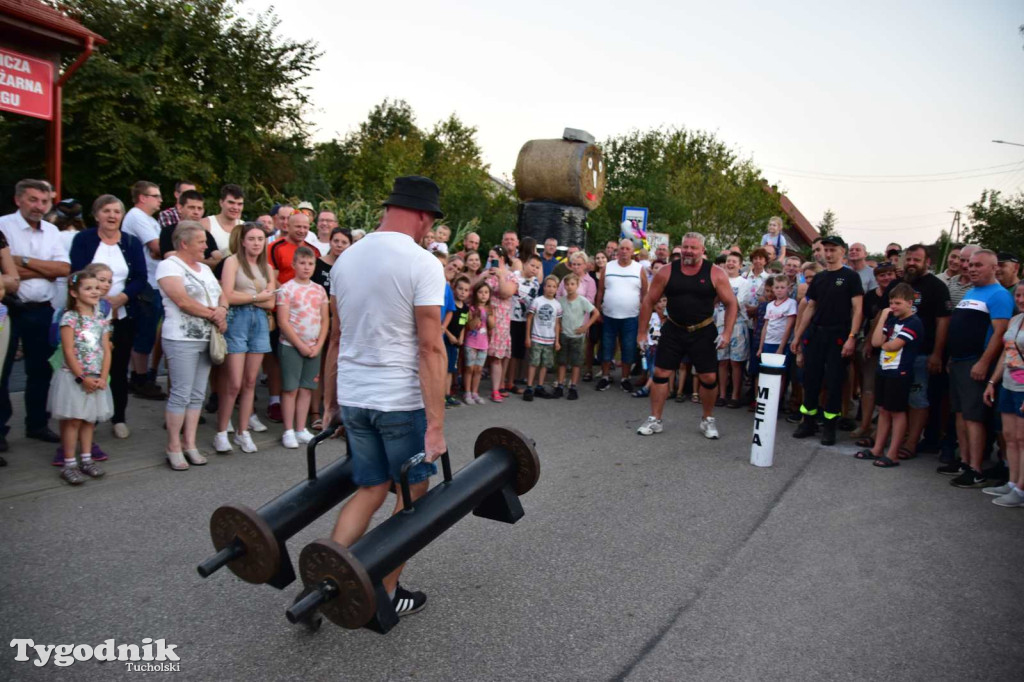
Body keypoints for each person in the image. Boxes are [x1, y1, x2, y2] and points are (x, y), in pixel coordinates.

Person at [328, 175, 446, 617]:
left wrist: (330, 404)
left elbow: (336, 338)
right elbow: (431, 347)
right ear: (420, 214)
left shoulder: (345, 260)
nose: (429, 229)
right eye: (430, 221)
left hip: (355, 395)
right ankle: (387, 594)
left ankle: (327, 573)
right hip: (398, 400)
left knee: (370, 486)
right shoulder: (423, 263)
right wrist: (436, 426)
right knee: (412, 496)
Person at [637, 232, 737, 439]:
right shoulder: (666, 271)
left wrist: (727, 332)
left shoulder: (716, 273)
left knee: (708, 377)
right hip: (673, 328)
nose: (688, 251)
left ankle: (707, 419)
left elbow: (731, 303)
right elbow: (648, 301)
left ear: (702, 250)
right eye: (685, 247)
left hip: (703, 330)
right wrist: (641, 333)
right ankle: (655, 419)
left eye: (693, 247)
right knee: (661, 373)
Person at [69, 195, 149, 440]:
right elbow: (77, 273)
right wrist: (98, 302)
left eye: (116, 211)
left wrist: (121, 297)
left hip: (122, 315)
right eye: (107, 211)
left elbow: (140, 277)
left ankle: (118, 417)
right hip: (88, 317)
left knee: (117, 366)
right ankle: (86, 419)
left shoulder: (131, 242)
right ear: (96, 215)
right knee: (88, 366)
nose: (112, 216)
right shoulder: (83, 240)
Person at [0, 179, 72, 446]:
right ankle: (0, 431)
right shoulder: (3, 226)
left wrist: (20, 262)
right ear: (18, 200)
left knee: (40, 371)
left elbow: (63, 270)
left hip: (41, 309)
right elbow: (7, 275)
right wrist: (44, 269)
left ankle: (37, 424)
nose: (39, 206)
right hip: (7, 308)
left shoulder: (52, 230)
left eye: (44, 201)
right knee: (2, 372)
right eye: (33, 200)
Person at [156, 222, 227, 471]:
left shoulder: (205, 270)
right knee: (181, 393)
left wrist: (223, 310)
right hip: (181, 338)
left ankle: (190, 443)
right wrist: (214, 315)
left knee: (197, 394)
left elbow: (221, 294)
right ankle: (173, 446)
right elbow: (181, 300)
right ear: (184, 243)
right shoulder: (169, 266)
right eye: (201, 241)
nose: (206, 246)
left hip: (206, 338)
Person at [942, 249, 1014, 488]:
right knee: (961, 414)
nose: (972, 268)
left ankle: (976, 469)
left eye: (978, 265)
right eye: (970, 264)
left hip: (975, 362)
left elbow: (1000, 333)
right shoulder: (972, 291)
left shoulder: (1000, 295)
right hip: (960, 361)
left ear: (994, 268)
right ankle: (965, 461)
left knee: (973, 417)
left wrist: (983, 362)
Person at [790, 235, 864, 446]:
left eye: (833, 250)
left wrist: (852, 337)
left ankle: (829, 426)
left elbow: (858, 309)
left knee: (833, 382)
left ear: (843, 251)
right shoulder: (820, 278)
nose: (829, 254)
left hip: (838, 335)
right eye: (826, 250)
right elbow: (810, 307)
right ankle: (808, 422)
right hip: (816, 335)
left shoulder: (850, 277)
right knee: (811, 379)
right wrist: (798, 336)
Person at [214, 223, 276, 453]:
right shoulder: (232, 262)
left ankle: (243, 431)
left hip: (259, 322)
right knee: (234, 382)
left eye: (260, 239)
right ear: (243, 241)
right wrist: (256, 297)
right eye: (252, 239)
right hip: (237, 322)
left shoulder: (267, 268)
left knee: (251, 381)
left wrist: (250, 298)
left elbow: (271, 302)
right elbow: (227, 295)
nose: (257, 243)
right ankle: (221, 431)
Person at [885, 245, 951, 460]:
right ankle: (893, 439)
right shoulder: (897, 284)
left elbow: (943, 322)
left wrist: (937, 354)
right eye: (909, 259)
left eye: (917, 260)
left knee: (917, 399)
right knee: (895, 398)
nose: (912, 263)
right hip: (894, 355)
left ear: (927, 262)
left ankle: (912, 442)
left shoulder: (937, 287)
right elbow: (886, 316)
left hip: (922, 355)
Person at [48, 270, 113, 485]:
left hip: (96, 377)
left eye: (97, 287)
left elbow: (106, 349)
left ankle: (86, 459)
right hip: (74, 378)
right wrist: (81, 377)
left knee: (88, 420)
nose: (95, 291)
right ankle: (69, 463)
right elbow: (67, 350)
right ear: (74, 293)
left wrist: (103, 377)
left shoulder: (101, 318)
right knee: (73, 420)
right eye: (88, 288)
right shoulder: (70, 317)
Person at [855, 283, 924, 468]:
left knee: (897, 412)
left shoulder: (914, 323)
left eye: (898, 303)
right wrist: (884, 316)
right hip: (884, 369)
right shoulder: (892, 320)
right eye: (891, 303)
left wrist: (884, 344)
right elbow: (877, 341)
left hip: (899, 372)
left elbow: (892, 346)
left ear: (910, 303)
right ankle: (878, 448)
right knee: (884, 410)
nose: (893, 306)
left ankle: (893, 453)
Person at [276, 247, 328, 448]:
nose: (306, 267)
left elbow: (324, 320)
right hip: (292, 346)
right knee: (290, 388)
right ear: (294, 265)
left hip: (314, 347)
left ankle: (300, 428)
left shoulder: (319, 290)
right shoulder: (286, 289)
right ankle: (288, 430)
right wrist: (300, 345)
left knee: (307, 388)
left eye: (310, 264)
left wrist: (319, 345)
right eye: (302, 263)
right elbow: (283, 321)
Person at [120, 180, 167, 401]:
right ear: (142, 198)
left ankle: (139, 376)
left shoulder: (147, 219)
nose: (160, 200)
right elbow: (157, 248)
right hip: (147, 283)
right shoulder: (137, 217)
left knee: (147, 331)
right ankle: (139, 378)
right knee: (145, 332)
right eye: (155, 195)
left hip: (153, 281)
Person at [981, 281, 1024, 507]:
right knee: (1009, 437)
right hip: (1008, 384)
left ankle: (1021, 489)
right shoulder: (1016, 320)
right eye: (1018, 295)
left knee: (1022, 439)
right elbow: (1006, 355)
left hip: (1023, 389)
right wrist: (992, 382)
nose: (1020, 300)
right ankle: (1013, 481)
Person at [596, 239, 648, 392]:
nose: (624, 251)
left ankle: (625, 378)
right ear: (617, 251)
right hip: (609, 315)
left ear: (632, 251)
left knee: (628, 347)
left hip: (631, 317)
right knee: (606, 346)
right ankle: (605, 377)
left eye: (627, 249)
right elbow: (600, 291)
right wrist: (597, 310)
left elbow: (645, 294)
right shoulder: (608, 267)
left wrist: (644, 315)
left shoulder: (639, 269)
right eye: (621, 248)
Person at [854, 263, 897, 442]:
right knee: (868, 388)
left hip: (892, 346)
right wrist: (856, 337)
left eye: (889, 274)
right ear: (876, 278)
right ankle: (865, 424)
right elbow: (863, 317)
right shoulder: (870, 296)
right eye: (882, 275)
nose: (886, 278)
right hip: (870, 344)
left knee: (887, 390)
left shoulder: (899, 295)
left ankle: (881, 429)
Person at [480, 247, 518, 401]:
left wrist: (501, 277)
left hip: (501, 319)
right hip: (483, 317)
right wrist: (483, 275)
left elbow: (505, 293)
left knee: (496, 356)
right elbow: (472, 291)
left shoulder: (511, 276)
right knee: (477, 353)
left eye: (493, 257)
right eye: (489, 257)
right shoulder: (485, 275)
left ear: (501, 258)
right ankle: (471, 390)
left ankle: (496, 390)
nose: (490, 260)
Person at [555, 272, 600, 400]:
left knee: (576, 363)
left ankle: (573, 386)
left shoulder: (582, 300)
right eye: (567, 284)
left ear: (578, 285)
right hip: (564, 334)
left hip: (577, 337)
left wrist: (586, 326)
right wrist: (559, 330)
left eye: (572, 284)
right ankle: (560, 385)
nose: (569, 287)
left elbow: (595, 313)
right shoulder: (561, 301)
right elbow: (558, 318)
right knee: (562, 362)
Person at [715, 252, 750, 408]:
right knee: (722, 361)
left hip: (737, 325)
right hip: (720, 325)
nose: (730, 264)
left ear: (740, 265)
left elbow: (737, 302)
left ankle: (735, 395)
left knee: (736, 363)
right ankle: (722, 394)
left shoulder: (744, 283)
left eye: (734, 262)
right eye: (728, 261)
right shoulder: (719, 280)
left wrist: (723, 295)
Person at [756, 275, 797, 396]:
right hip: (768, 343)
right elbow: (766, 326)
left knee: (780, 374)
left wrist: (781, 348)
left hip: (781, 344)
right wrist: (760, 347)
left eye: (782, 287)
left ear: (788, 289)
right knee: (766, 373)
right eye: (777, 287)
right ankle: (765, 400)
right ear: (773, 289)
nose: (779, 290)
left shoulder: (791, 303)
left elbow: (789, 327)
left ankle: (778, 401)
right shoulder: (770, 305)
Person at [523, 275, 562, 400]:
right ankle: (529, 387)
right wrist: (528, 337)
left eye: (554, 287)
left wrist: (557, 341)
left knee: (545, 364)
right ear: (544, 287)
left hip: (549, 339)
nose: (551, 289)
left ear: (557, 289)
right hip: (536, 337)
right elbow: (529, 319)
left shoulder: (557, 305)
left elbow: (557, 324)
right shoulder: (537, 301)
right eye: (548, 286)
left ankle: (539, 386)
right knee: (533, 362)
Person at [509, 253, 542, 393]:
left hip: (524, 321)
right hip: (510, 319)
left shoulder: (536, 283)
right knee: (508, 353)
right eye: (532, 265)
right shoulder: (514, 276)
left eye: (537, 267)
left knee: (518, 353)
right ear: (525, 264)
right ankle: (505, 382)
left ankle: (513, 381)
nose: (534, 269)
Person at [462, 281, 492, 404]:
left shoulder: (490, 309)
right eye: (480, 292)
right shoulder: (471, 308)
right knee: (470, 368)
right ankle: (467, 392)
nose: (483, 295)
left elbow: (492, 326)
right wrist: (477, 316)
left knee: (479, 369)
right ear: (475, 294)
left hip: (483, 343)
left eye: (486, 292)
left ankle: (475, 392)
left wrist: (489, 315)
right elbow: (469, 326)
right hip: (471, 342)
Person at [444, 276, 470, 407]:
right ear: (454, 288)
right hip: (446, 340)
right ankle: (440, 396)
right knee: (443, 369)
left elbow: (463, 325)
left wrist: (461, 337)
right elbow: (442, 324)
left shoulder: (465, 308)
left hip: (455, 343)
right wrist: (449, 335)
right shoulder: (450, 305)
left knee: (450, 370)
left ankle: (447, 395)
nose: (463, 292)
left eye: (466, 290)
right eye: (460, 288)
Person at [158, 190, 206, 257]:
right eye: (191, 207)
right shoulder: (168, 232)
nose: (196, 212)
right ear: (180, 208)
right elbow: (169, 256)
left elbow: (217, 259)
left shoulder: (205, 233)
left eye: (199, 208)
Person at [202, 184, 245, 256]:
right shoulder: (206, 224)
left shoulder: (245, 227)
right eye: (231, 202)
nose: (235, 207)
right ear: (221, 203)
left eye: (239, 204)